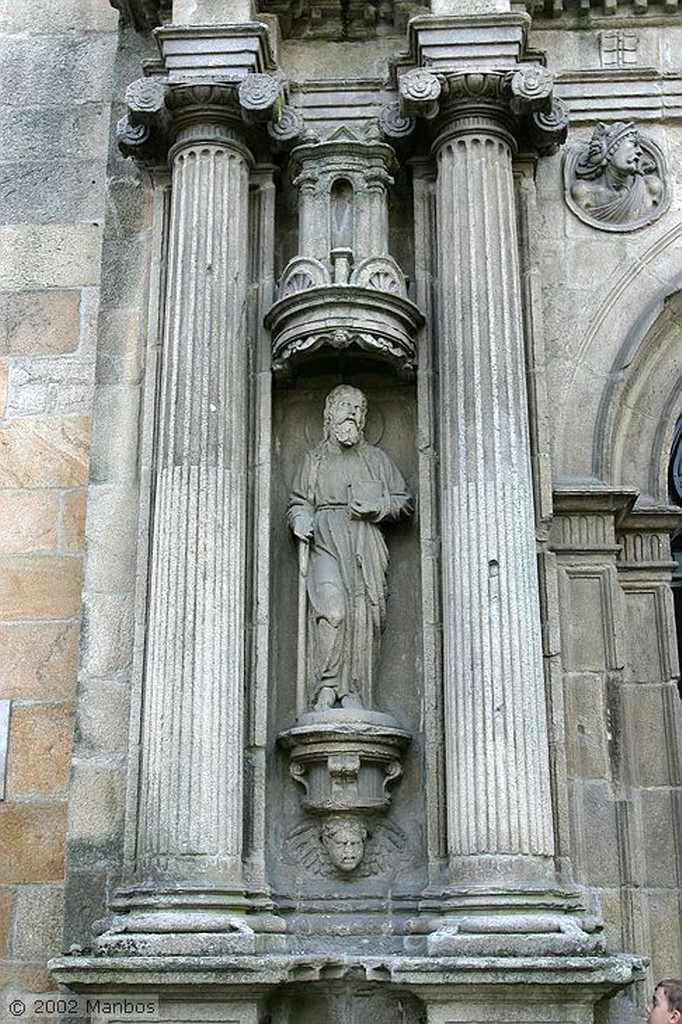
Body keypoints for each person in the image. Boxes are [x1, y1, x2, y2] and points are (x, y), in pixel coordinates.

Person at [288, 385, 412, 710]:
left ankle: (355, 691)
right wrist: (300, 519)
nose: (352, 414)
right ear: (329, 414)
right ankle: (327, 687)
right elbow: (299, 502)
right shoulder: (313, 462)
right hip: (326, 544)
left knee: (363, 616)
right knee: (332, 611)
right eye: (345, 406)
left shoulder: (376, 460)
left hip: (365, 544)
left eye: (358, 408)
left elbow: (404, 503)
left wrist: (378, 506)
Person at [570, 121, 663, 225]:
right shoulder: (584, 192)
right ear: (611, 149)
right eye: (633, 143)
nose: (640, 151)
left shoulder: (650, 188)